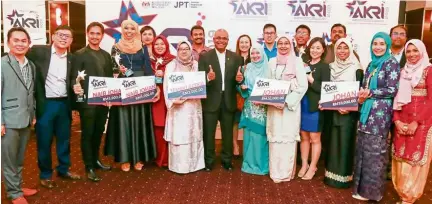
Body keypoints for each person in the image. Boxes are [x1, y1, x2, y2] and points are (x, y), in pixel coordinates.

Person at [27, 25, 81, 189]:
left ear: (71, 41)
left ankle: (63, 170)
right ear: (53, 37)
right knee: (44, 141)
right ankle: (45, 175)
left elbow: (72, 79)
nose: (64, 38)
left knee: (64, 139)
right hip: (46, 104)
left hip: (64, 104)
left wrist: (75, 87)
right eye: (60, 34)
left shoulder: (72, 58)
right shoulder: (38, 52)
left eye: (68, 36)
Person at [105, 20, 159, 172]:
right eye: (126, 28)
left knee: (139, 121)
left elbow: (148, 68)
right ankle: (125, 158)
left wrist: (153, 87)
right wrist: (118, 71)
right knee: (124, 122)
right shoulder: (116, 47)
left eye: (132, 28)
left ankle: (139, 157)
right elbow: (112, 69)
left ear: (136, 31)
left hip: (141, 87)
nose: (129, 31)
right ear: (122, 30)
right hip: (123, 86)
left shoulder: (142, 47)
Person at [352, 32, 400, 202]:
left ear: (387, 45)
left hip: (380, 114)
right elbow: (365, 87)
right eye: (375, 43)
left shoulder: (391, 63)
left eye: (381, 44)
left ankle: (373, 192)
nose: (378, 47)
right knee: (363, 150)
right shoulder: (371, 64)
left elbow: (392, 90)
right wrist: (362, 96)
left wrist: (370, 93)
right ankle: (361, 189)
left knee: (376, 153)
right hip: (366, 111)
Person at [71, 22, 113, 182]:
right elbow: (74, 79)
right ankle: (88, 166)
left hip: (102, 101)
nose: (95, 36)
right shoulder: (79, 54)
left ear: (102, 36)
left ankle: (95, 160)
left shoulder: (106, 55)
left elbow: (109, 79)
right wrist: (78, 101)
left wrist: (110, 96)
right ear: (87, 34)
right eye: (92, 33)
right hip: (87, 102)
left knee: (98, 132)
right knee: (87, 134)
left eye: (98, 33)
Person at [392, 39, 432, 204]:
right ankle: (402, 194)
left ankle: (409, 197)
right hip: (402, 119)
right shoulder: (403, 72)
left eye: (415, 51)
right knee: (400, 156)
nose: (411, 54)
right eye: (408, 51)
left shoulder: (428, 71)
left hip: (422, 121)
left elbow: (431, 100)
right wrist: (396, 121)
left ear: (422, 51)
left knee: (415, 159)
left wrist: (417, 122)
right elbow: (396, 99)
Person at [198, 29, 244, 171]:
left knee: (228, 134)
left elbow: (238, 81)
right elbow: (199, 81)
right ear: (214, 39)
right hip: (210, 102)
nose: (221, 40)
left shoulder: (236, 57)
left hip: (228, 101)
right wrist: (207, 78)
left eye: (224, 38)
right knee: (209, 134)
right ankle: (209, 161)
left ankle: (227, 161)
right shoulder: (205, 57)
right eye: (218, 38)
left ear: (228, 40)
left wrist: (239, 80)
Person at [2, 27, 38, 204]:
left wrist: (33, 114)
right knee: (8, 160)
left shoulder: (30, 65)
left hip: (26, 119)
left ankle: (17, 185)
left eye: (24, 40)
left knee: (19, 157)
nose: (20, 43)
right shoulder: (2, 64)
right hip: (7, 121)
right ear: (8, 42)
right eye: (16, 40)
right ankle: (14, 193)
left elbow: (31, 92)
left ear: (29, 43)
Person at [267, 35, 308, 183]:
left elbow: (303, 86)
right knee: (275, 139)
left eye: (286, 43)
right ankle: (275, 172)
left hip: (289, 107)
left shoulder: (297, 61)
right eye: (280, 43)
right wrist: (271, 99)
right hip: (273, 108)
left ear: (291, 45)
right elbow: (267, 84)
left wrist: (285, 101)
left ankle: (286, 173)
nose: (283, 46)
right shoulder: (272, 62)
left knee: (288, 139)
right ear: (277, 45)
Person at [323, 38, 363, 189]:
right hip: (331, 112)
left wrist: (348, 106)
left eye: (345, 48)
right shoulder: (330, 67)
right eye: (339, 48)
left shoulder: (356, 68)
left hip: (348, 113)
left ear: (351, 50)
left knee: (345, 142)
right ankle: (330, 176)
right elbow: (327, 90)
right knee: (332, 142)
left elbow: (359, 91)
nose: (342, 51)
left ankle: (344, 177)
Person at [163, 40, 205, 174]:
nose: (184, 51)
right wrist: (173, 101)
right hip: (178, 109)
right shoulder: (171, 66)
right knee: (180, 135)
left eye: (186, 48)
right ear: (177, 51)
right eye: (181, 49)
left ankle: (195, 165)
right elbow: (166, 86)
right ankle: (178, 166)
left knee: (193, 134)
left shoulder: (197, 65)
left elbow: (201, 84)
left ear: (190, 50)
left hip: (193, 107)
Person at [298, 37, 330, 180]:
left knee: (314, 137)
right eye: (312, 47)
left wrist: (311, 80)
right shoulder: (303, 64)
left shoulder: (324, 67)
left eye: (318, 48)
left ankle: (313, 166)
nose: (315, 50)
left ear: (323, 50)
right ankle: (304, 164)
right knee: (304, 136)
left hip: (315, 106)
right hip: (301, 104)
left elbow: (325, 90)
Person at [238, 45, 269, 175]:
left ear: (262, 54)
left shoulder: (269, 68)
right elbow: (240, 85)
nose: (255, 55)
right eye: (253, 53)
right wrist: (242, 87)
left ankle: (261, 166)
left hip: (263, 107)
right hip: (249, 106)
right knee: (249, 135)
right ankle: (248, 164)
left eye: (258, 53)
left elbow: (273, 88)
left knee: (260, 136)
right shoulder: (247, 67)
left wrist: (263, 99)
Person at [150, 35, 176, 168]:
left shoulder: (173, 61)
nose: (159, 46)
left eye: (162, 44)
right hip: (154, 99)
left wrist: (164, 74)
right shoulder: (148, 61)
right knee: (158, 129)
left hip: (170, 99)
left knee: (171, 128)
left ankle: (170, 158)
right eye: (156, 44)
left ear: (166, 45)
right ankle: (159, 158)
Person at [233, 34, 252, 158]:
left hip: (250, 96)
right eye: (242, 42)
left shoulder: (255, 57)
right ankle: (235, 145)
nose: (244, 44)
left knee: (249, 122)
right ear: (238, 45)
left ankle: (248, 147)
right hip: (235, 95)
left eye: (246, 42)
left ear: (250, 44)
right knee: (234, 121)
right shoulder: (233, 58)